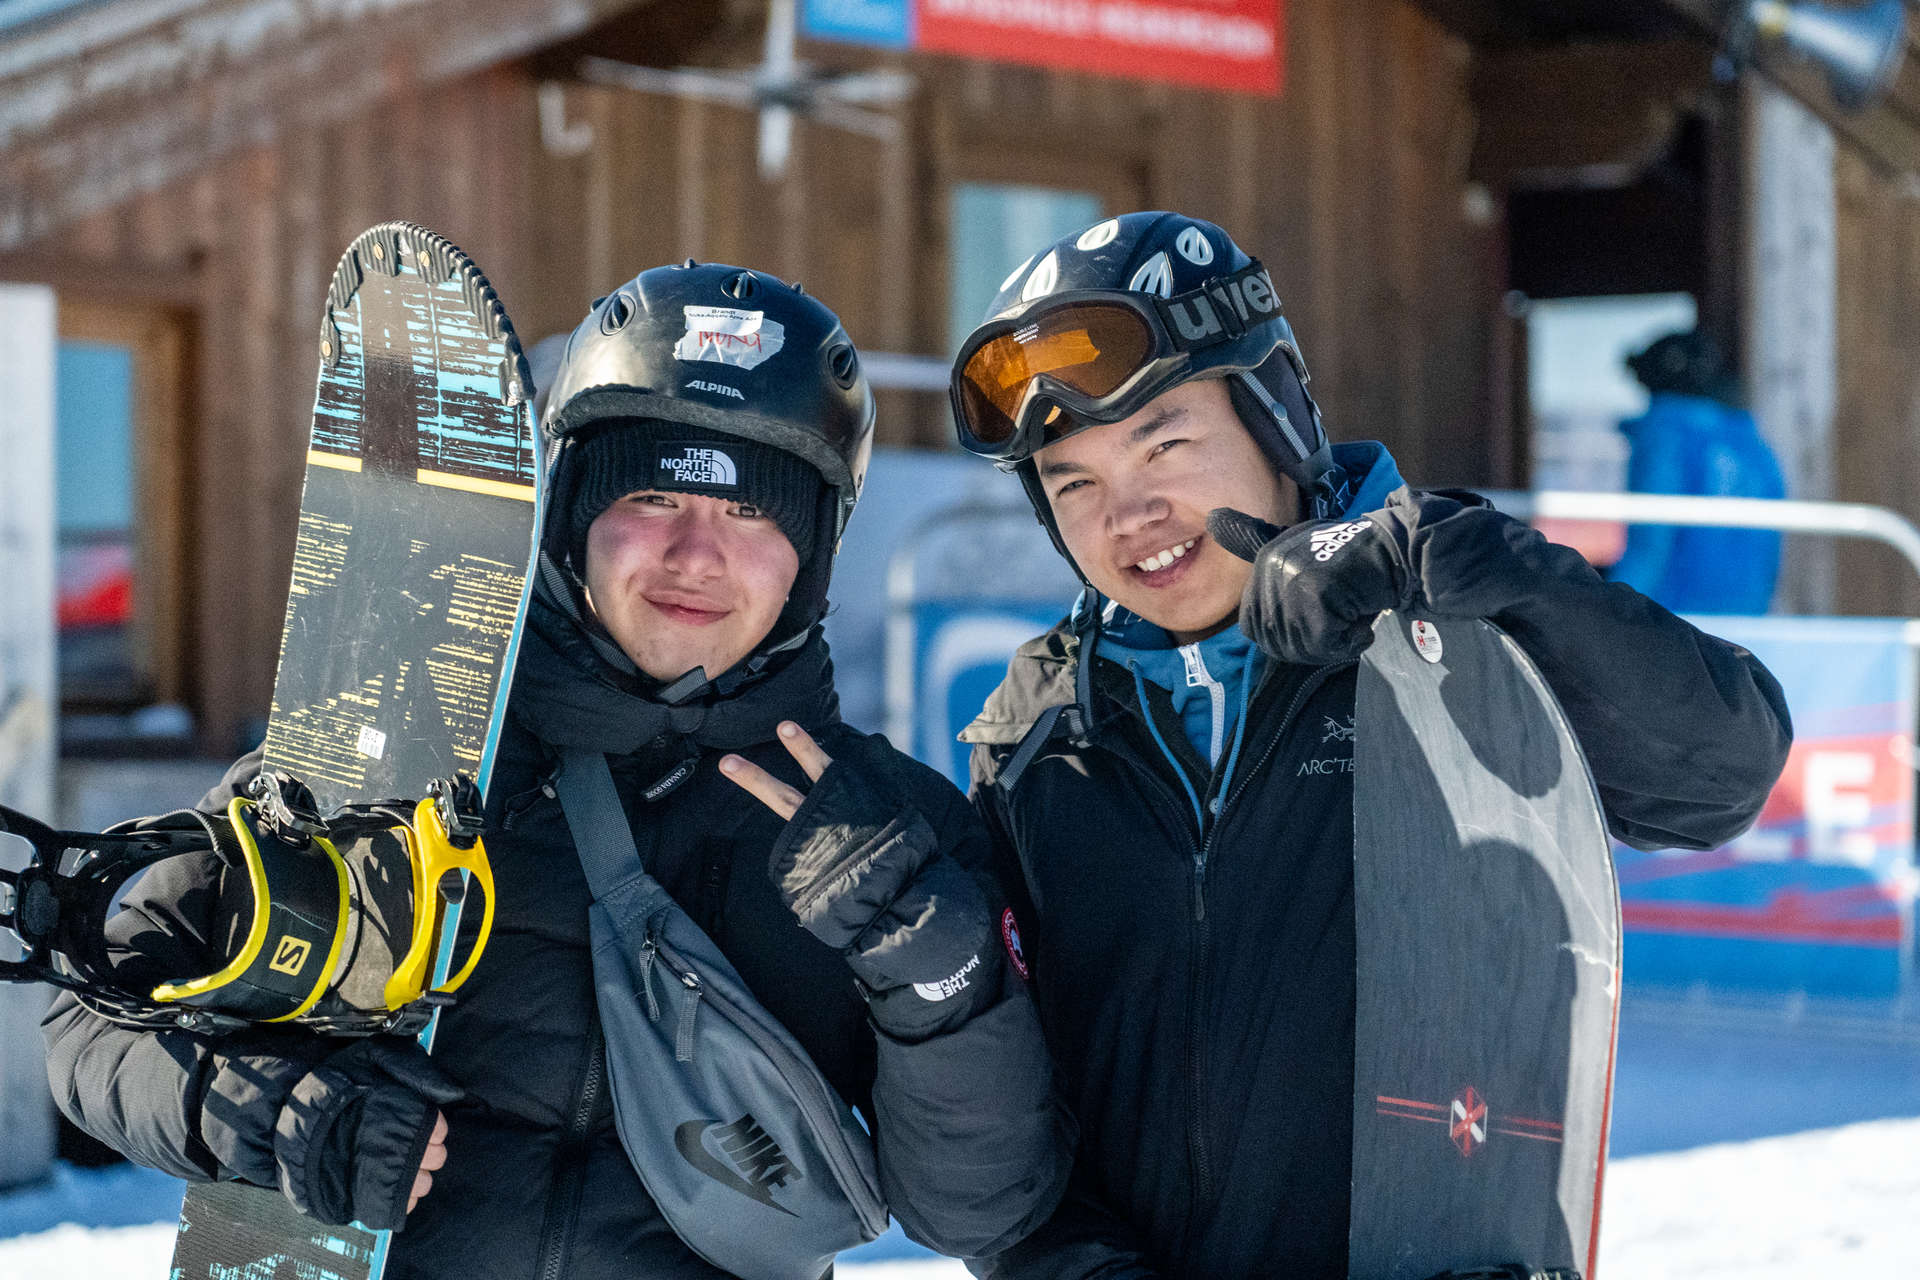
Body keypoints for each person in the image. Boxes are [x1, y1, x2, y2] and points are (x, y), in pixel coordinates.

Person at [42, 262, 1071, 1279]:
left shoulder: (891, 831)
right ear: (570, 511)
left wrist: (935, 973)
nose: (694, 552)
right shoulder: (396, 751)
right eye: (654, 494)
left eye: (753, 513)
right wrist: (275, 1110)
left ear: (817, 549)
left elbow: (976, 1204)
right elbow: (92, 1018)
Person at [946, 212, 1793, 1277]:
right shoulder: (1034, 737)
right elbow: (1010, 1123)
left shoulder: (1454, 630)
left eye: (1165, 444)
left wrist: (1488, 573)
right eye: (1075, 486)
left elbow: (1720, 777)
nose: (1132, 514)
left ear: (1278, 414)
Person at [1608, 329, 1787, 614]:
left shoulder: (1665, 437)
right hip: (1747, 628)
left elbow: (1650, 547)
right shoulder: (1753, 444)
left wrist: (1609, 613)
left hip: (1676, 628)